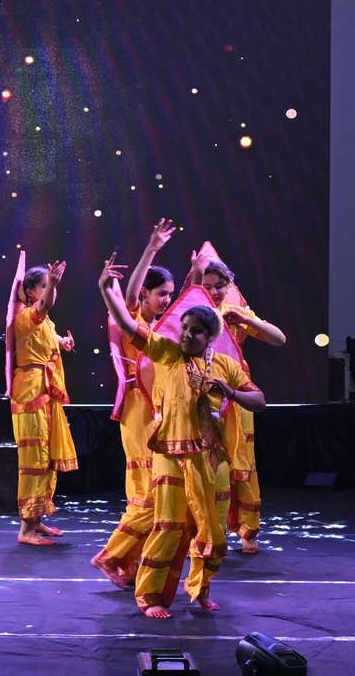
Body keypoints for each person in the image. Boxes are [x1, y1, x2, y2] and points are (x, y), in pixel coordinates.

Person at [99, 255, 265, 618]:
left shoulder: (226, 366)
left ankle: (201, 588)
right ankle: (150, 596)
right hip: (170, 455)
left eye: (195, 331)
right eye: (185, 328)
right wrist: (106, 288)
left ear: (211, 337)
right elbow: (127, 322)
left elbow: (259, 400)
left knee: (212, 531)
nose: (187, 334)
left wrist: (231, 392)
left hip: (211, 458)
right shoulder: (167, 353)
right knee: (169, 526)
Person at [91, 220, 177, 586]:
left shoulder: (159, 328)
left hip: (156, 411)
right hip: (139, 411)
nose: (167, 300)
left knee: (153, 493)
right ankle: (110, 556)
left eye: (170, 294)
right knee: (150, 495)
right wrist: (151, 249)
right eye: (161, 294)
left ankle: (129, 562)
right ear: (144, 295)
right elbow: (128, 299)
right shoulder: (131, 322)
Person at [187, 251, 285, 555]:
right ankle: (205, 531)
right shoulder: (192, 315)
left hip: (235, 392)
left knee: (242, 460)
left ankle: (247, 529)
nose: (214, 292)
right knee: (204, 464)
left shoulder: (235, 312)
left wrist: (245, 319)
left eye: (220, 286)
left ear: (229, 286)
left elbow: (279, 339)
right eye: (207, 286)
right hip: (199, 394)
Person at [9, 259, 77, 546]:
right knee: (34, 460)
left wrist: (62, 342)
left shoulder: (44, 321)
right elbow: (44, 308)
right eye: (45, 286)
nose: (50, 291)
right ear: (30, 291)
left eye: (50, 286)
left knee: (46, 458)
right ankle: (25, 529)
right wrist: (55, 285)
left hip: (44, 391)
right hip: (31, 392)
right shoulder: (27, 315)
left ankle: (36, 520)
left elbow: (47, 335)